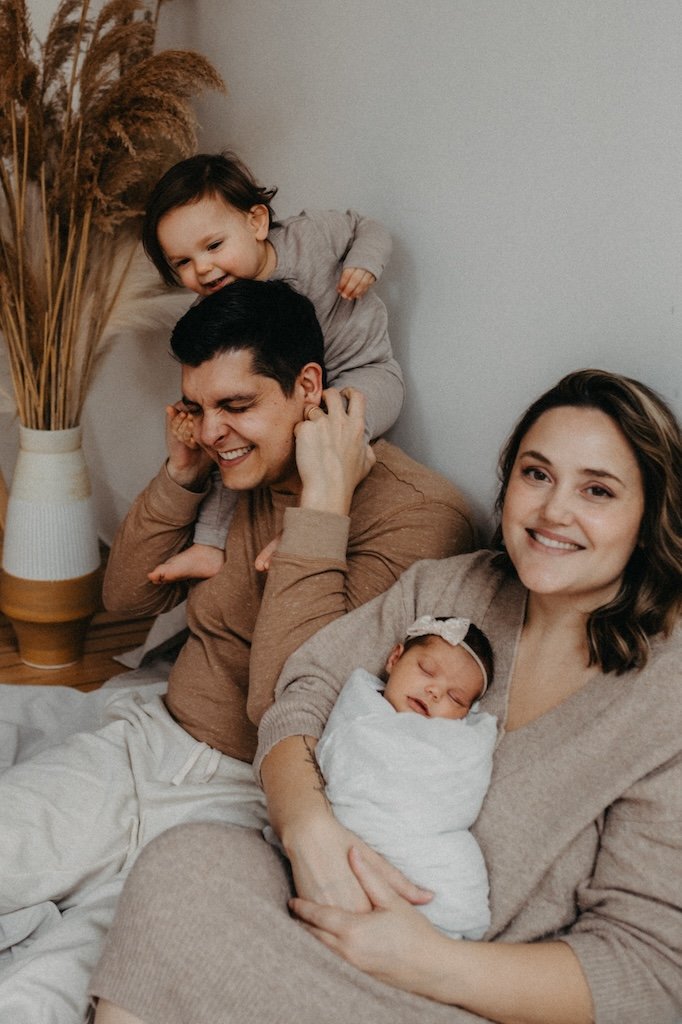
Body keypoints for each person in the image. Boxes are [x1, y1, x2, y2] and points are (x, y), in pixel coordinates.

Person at [91, 368, 682, 1024]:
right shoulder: (455, 589)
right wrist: (305, 826)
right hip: (340, 922)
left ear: (650, 514)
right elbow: (304, 687)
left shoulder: (665, 699)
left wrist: (423, 960)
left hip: (482, 992)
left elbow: (648, 971)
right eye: (536, 474)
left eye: (597, 490)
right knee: (187, 862)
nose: (552, 512)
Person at [0, 280, 474, 1024]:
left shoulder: (420, 522)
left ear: (307, 387)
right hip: (143, 744)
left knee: (40, 995)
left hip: (240, 811)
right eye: (199, 407)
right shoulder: (230, 481)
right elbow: (124, 601)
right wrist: (181, 477)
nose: (214, 431)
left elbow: (288, 702)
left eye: (237, 406)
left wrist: (324, 506)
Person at [142, 150, 404, 583]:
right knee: (224, 438)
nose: (202, 270)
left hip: (361, 369)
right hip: (292, 388)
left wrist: (365, 263)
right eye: (183, 263)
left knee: (329, 429)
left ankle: (302, 529)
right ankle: (210, 542)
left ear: (257, 223)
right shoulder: (218, 306)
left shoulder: (309, 236)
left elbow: (367, 226)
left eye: (213, 246)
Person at [314, 615, 497, 940]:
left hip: (431, 859)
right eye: (427, 670)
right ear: (395, 658)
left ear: (465, 715)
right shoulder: (360, 713)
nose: (435, 691)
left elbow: (456, 796)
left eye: (455, 698)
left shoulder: (459, 747)